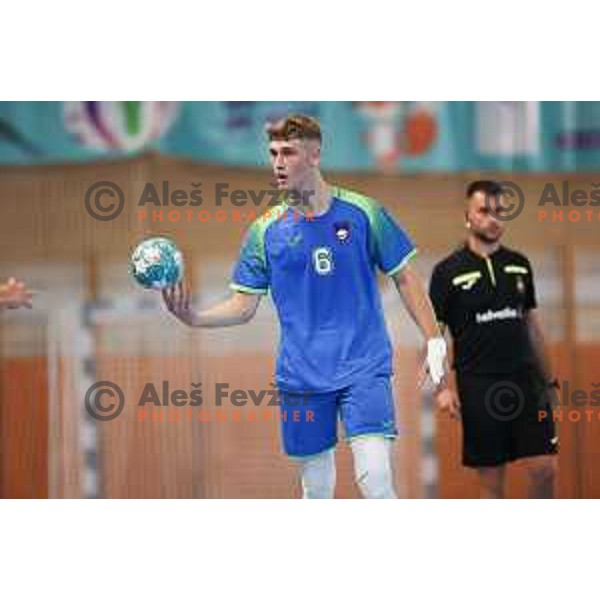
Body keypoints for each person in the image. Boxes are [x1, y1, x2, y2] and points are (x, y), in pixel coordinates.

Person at [163, 114, 446, 499]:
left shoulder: (365, 213)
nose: (278, 162)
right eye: (273, 153)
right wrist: (194, 317)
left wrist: (433, 339)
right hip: (301, 376)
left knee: (376, 479)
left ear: (314, 154)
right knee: (316, 489)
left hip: (364, 365)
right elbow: (244, 305)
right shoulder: (265, 231)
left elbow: (405, 276)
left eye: (289, 152)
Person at [429, 180, 558, 499]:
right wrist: (443, 386)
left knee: (545, 468)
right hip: (478, 384)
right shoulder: (447, 272)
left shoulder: (519, 264)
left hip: (526, 381)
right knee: (491, 483)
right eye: (484, 211)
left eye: (499, 211)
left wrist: (549, 379)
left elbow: (532, 326)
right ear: (468, 216)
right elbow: (435, 336)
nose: (493, 218)